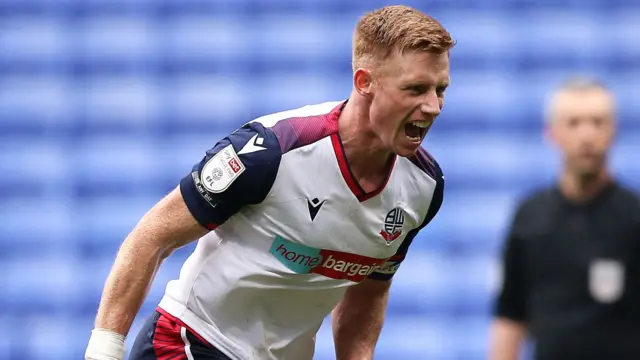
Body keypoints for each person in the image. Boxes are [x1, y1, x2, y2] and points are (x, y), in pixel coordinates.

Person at [84, 5, 455, 360]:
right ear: (364, 82)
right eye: (415, 89)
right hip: (191, 341)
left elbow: (370, 289)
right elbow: (153, 236)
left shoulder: (424, 188)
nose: (434, 106)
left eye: (440, 90)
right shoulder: (270, 150)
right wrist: (104, 351)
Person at [489, 78, 640, 360]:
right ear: (552, 132)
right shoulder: (529, 217)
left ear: (614, 130)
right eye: (574, 123)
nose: (587, 135)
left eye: (597, 122)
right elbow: (510, 315)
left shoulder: (634, 217)